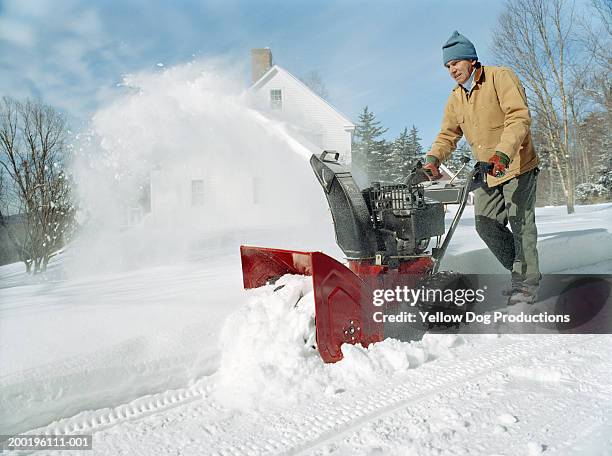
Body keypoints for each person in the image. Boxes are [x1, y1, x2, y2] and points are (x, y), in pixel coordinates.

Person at [423, 31, 540, 304]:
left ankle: (526, 284)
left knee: (521, 224)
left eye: (455, 63)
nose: (451, 69)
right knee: (485, 224)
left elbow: (519, 117)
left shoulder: (500, 77)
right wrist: (433, 159)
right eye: (447, 66)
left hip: (517, 164)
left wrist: (503, 154)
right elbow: (447, 135)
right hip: (487, 171)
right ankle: (520, 273)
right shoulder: (455, 98)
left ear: (471, 60)